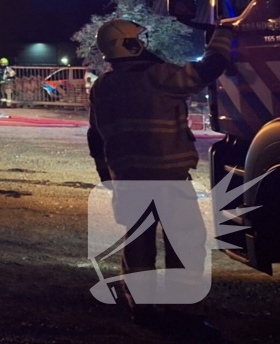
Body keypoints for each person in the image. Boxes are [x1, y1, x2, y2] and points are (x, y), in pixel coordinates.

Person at [87, 19, 231, 337]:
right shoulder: (159, 77)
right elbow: (210, 68)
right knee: (185, 244)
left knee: (137, 245)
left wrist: (106, 175)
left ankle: (142, 308)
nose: (145, 43)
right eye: (139, 39)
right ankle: (185, 314)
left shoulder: (102, 87)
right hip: (167, 177)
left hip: (126, 179)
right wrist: (223, 33)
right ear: (128, 44)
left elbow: (95, 137)